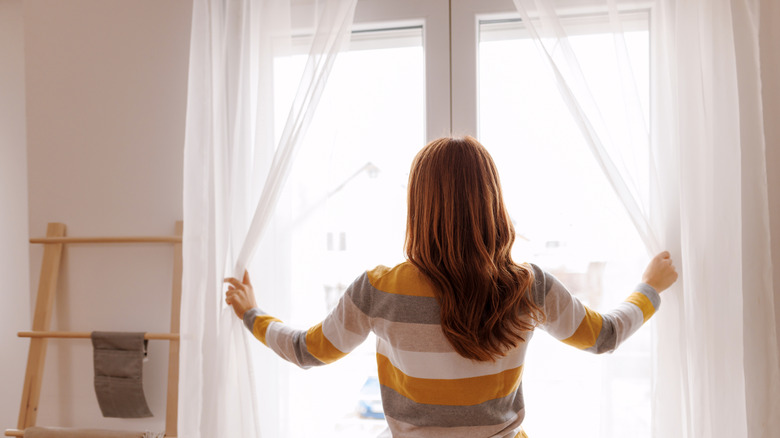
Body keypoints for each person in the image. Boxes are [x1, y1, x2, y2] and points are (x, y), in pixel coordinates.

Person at [225, 136, 678, 438]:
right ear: (491, 201)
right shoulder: (529, 287)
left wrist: (251, 314)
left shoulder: (379, 289)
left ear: (419, 205)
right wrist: (650, 287)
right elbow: (605, 336)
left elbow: (307, 350)